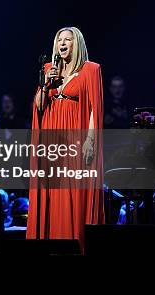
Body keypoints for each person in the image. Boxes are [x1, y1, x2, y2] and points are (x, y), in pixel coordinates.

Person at [28, 27, 105, 248]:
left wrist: (91, 140)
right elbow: (39, 107)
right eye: (59, 40)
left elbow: (94, 109)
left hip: (76, 139)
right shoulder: (49, 69)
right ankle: (52, 245)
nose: (62, 43)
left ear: (76, 43)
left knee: (74, 192)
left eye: (67, 40)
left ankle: (76, 245)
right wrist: (45, 85)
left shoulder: (90, 70)